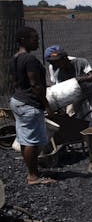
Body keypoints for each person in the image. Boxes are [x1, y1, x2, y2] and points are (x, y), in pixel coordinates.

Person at [10, 27, 56, 185]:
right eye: (34, 38)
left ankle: (32, 171)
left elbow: (18, 82)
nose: (37, 41)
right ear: (24, 40)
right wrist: (47, 105)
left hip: (18, 100)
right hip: (29, 104)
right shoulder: (29, 60)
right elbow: (35, 85)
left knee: (25, 139)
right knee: (32, 141)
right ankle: (33, 176)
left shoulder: (16, 57)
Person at [44, 45, 92, 126]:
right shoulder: (58, 73)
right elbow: (61, 90)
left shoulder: (80, 62)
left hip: (91, 91)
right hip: (75, 95)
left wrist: (78, 79)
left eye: (56, 62)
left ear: (64, 58)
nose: (54, 65)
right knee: (73, 115)